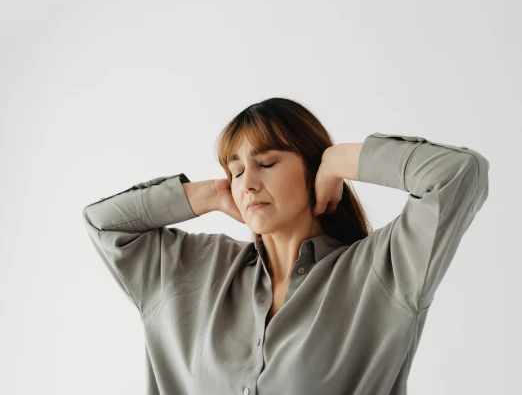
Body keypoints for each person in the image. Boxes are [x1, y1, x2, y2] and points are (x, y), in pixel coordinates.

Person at [82, 97, 490, 394]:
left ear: (311, 170)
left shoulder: (382, 272)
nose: (247, 184)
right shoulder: (192, 270)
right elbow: (104, 224)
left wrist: (340, 160)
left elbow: (458, 173)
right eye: (236, 171)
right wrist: (206, 195)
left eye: (267, 163)